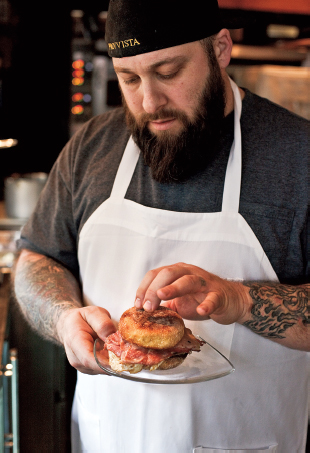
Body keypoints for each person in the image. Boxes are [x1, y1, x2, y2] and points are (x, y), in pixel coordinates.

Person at [13, 0, 309, 451]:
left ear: (221, 48)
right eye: (129, 78)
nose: (149, 102)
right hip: (103, 438)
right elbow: (37, 257)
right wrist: (62, 317)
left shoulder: (298, 158)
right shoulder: (91, 147)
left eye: (168, 71)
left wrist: (240, 299)